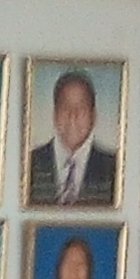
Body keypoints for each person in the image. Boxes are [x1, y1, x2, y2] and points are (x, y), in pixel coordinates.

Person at [27, 70, 116, 207]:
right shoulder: (29, 163)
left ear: (94, 116)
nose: (73, 116)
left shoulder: (114, 168)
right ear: (54, 114)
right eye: (65, 108)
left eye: (81, 109)